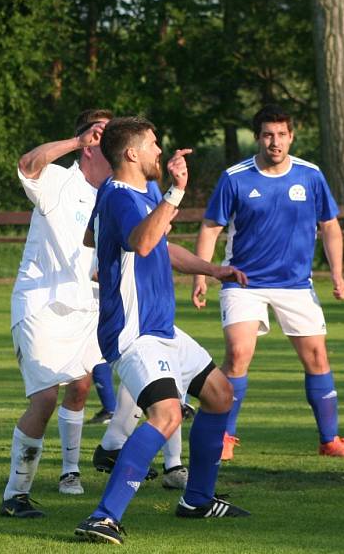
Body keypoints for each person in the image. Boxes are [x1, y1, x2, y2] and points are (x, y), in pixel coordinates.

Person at [74, 117, 250, 545]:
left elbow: (119, 241)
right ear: (132, 153)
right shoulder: (117, 195)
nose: (159, 151)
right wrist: (174, 192)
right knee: (167, 414)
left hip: (161, 326)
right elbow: (144, 242)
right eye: (153, 144)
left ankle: (198, 500)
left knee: (220, 394)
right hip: (133, 332)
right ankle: (102, 517)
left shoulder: (135, 195)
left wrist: (213, 269)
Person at [191, 104, 344, 460]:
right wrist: (202, 275)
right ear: (258, 137)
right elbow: (211, 227)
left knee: (317, 357)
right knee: (238, 354)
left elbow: (330, 227)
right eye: (268, 134)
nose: (275, 142)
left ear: (291, 137)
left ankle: (329, 441)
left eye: (282, 134)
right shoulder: (235, 177)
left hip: (296, 283)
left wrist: (337, 273)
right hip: (243, 281)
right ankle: (224, 437)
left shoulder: (310, 175)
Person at [1, 109, 113, 519]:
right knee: (46, 397)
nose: (106, 144)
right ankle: (16, 494)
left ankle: (72, 470)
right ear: (86, 144)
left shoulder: (111, 192)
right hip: (40, 304)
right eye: (99, 137)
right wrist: (76, 140)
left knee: (83, 387)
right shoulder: (58, 178)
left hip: (85, 305)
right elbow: (27, 165)